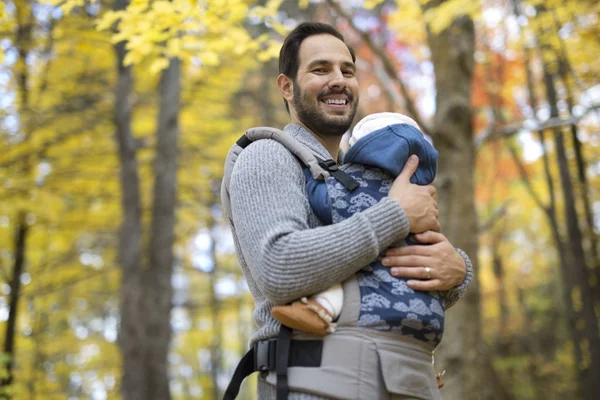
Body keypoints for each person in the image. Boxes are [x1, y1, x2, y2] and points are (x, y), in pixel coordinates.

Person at [224, 22, 472, 400]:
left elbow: (395, 273)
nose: (338, 80)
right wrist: (395, 215)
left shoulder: (374, 179)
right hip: (318, 385)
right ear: (287, 87)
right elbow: (278, 267)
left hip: (409, 382)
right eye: (320, 69)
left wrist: (457, 271)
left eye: (347, 71)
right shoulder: (267, 156)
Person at [271, 112, 457, 347]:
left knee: (345, 275)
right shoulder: (421, 195)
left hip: (367, 316)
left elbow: (320, 199)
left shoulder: (349, 184)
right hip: (426, 318)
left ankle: (320, 309)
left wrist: (311, 175)